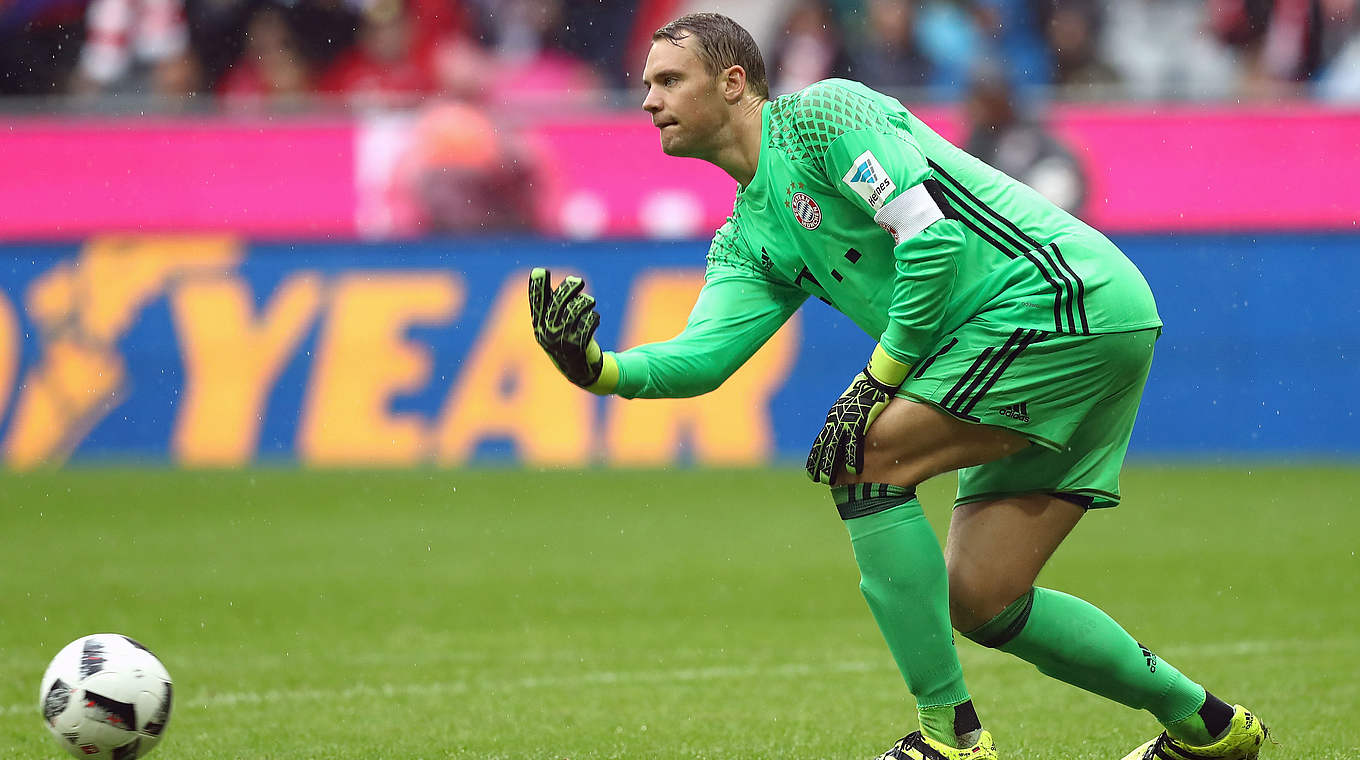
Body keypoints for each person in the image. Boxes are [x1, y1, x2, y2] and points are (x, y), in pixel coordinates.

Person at [528, 12, 1269, 760]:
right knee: (982, 598)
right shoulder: (748, 236)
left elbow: (930, 235)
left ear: (732, 82)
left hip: (1056, 299)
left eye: (667, 80)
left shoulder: (823, 115)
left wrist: (875, 382)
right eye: (647, 83)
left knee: (864, 460)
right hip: (1057, 327)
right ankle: (1209, 730)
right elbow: (702, 359)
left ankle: (951, 738)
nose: (648, 99)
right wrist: (596, 368)